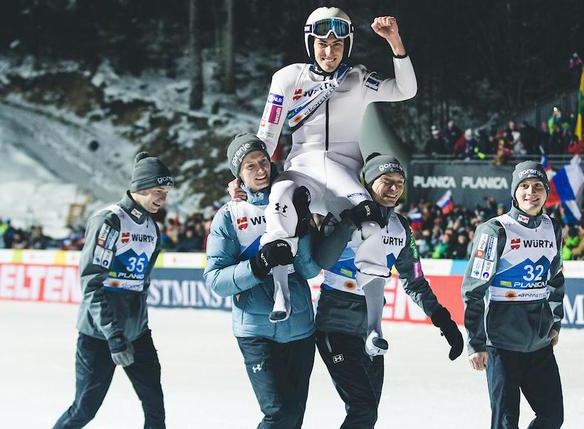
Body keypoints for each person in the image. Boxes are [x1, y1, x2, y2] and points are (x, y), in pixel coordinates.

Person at [231, 7, 417, 356]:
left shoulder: (359, 78)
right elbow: (267, 136)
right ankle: (281, 292)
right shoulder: (287, 78)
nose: (329, 52)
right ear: (309, 43)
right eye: (321, 45)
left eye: (336, 45)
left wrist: (395, 42)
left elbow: (406, 89)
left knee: (372, 226)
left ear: (346, 46)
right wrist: (244, 177)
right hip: (302, 169)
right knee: (280, 198)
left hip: (343, 174)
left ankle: (374, 326)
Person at [314, 153, 464, 428]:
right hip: (334, 327)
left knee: (367, 414)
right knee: (363, 410)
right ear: (369, 183)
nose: (394, 188)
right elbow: (321, 259)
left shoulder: (401, 228)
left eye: (399, 182)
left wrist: (444, 321)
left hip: (370, 334)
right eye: (387, 181)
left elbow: (415, 281)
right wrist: (349, 222)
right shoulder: (340, 215)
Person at [204, 133, 322, 428]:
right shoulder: (229, 215)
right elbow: (216, 280)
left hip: (300, 327)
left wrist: (305, 225)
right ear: (238, 175)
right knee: (277, 413)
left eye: (263, 162)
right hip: (255, 330)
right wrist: (259, 265)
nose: (260, 170)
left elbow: (308, 270)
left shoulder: (292, 199)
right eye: (250, 166)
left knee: (293, 417)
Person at [54, 152, 174, 428]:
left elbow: (140, 285)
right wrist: (114, 334)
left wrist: (138, 326)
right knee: (84, 410)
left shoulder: (152, 227)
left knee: (155, 407)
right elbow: (92, 283)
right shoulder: (110, 220)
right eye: (158, 191)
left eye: (166, 192)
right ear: (141, 187)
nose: (163, 199)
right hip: (100, 334)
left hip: (137, 333)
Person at [462, 161, 565, 429]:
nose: (532, 192)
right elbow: (473, 291)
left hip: (540, 345)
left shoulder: (553, 228)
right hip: (502, 346)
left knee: (553, 418)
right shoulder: (495, 230)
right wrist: (475, 342)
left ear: (546, 192)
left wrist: (555, 322)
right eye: (525, 186)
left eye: (538, 186)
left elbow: (555, 279)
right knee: (506, 424)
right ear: (514, 192)